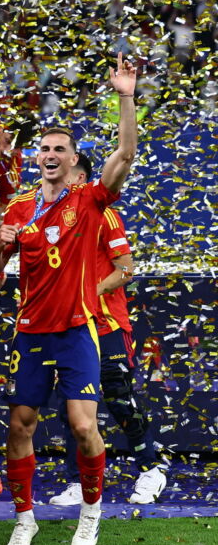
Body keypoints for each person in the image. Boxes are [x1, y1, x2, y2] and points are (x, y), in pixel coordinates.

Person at [0, 53, 139, 545]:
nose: (50, 154)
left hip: (76, 329)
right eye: (44, 148)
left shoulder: (90, 200)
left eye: (60, 149)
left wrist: (125, 96)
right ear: (38, 157)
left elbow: (124, 157)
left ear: (72, 160)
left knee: (82, 425)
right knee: (19, 426)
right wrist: (0, 244)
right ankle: (24, 518)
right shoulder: (18, 207)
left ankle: (90, 514)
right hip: (30, 331)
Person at [48, 156, 167, 506]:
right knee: (72, 405)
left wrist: (86, 293)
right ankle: (78, 481)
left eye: (64, 173)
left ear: (81, 177)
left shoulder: (102, 213)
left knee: (118, 395)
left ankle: (152, 468)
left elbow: (125, 270)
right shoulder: (52, 215)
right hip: (70, 326)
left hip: (106, 323)